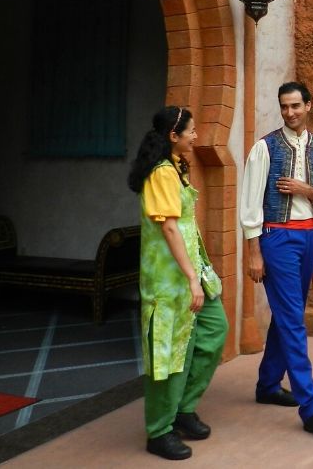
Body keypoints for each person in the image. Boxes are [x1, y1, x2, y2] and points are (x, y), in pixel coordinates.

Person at [240, 82, 313, 435]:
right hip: (277, 237)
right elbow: (250, 204)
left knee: (289, 315)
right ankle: (311, 407)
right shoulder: (264, 148)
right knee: (293, 321)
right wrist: (254, 252)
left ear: (308, 106)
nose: (290, 113)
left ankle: (268, 385)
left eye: (296, 106)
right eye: (284, 107)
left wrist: (306, 190)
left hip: (309, 235)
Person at [128, 107, 229, 461]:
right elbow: (169, 227)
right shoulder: (161, 173)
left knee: (214, 331)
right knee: (167, 355)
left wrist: (199, 274)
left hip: (192, 272)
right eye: (192, 130)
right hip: (168, 281)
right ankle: (159, 430)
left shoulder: (176, 167)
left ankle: (184, 408)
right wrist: (191, 279)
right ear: (174, 135)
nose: (197, 135)